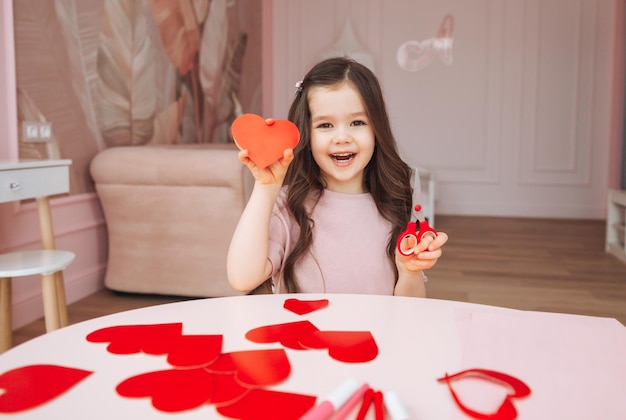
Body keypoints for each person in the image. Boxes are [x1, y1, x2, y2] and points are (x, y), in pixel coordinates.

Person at [227, 57, 448, 297]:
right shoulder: (289, 206)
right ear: (306, 135)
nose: (342, 137)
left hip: (377, 334)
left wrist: (409, 271)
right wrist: (265, 188)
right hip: (304, 335)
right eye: (325, 126)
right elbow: (242, 278)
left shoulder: (399, 205)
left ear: (377, 129)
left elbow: (410, 307)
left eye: (357, 122)